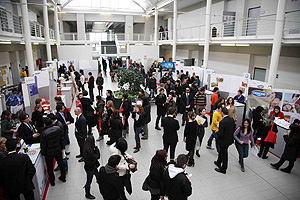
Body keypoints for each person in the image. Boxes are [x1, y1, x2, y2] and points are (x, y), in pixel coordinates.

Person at [40, 117, 66, 186]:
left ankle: (52, 181)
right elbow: (62, 138)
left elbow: (43, 145)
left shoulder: (44, 133)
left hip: (49, 153)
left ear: (45, 124)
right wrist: (62, 147)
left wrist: (43, 153)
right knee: (61, 164)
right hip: (58, 149)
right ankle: (63, 177)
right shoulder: (57, 128)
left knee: (50, 168)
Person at [214, 107, 235, 174]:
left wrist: (217, 132)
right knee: (222, 152)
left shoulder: (222, 122)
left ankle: (223, 168)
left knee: (224, 154)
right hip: (229, 139)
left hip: (223, 140)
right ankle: (218, 162)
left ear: (222, 113)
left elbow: (221, 133)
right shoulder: (231, 119)